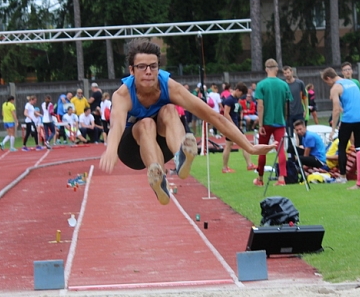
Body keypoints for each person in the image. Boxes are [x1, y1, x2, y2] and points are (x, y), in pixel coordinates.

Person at [99, 40, 275, 205]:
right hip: (131, 150)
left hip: (164, 141)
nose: (148, 72)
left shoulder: (170, 87)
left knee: (169, 110)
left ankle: (177, 159)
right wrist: (111, 150)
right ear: (131, 70)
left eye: (153, 66)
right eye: (142, 67)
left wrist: (249, 147)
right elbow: (117, 125)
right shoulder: (123, 95)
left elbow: (213, 116)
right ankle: (157, 171)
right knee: (146, 124)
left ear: (159, 68)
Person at [322, 67, 360, 184]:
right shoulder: (352, 83)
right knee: (359, 148)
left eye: (327, 83)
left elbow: (336, 109)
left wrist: (332, 129)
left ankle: (342, 177)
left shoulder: (336, 87)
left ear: (328, 78)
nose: (328, 85)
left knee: (342, 147)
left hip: (349, 119)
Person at [253, 59, 293, 187]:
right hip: (279, 121)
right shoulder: (284, 85)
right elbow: (287, 104)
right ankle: (281, 178)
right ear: (276, 69)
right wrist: (284, 118)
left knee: (262, 150)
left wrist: (260, 124)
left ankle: (260, 178)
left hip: (266, 122)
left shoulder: (261, 85)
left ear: (266, 69)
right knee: (280, 149)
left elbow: (260, 105)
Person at [221, 82, 256, 173]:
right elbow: (226, 113)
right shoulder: (229, 100)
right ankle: (225, 168)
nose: (241, 96)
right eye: (241, 94)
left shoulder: (235, 99)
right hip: (231, 126)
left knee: (240, 143)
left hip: (235, 126)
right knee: (230, 145)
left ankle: (249, 164)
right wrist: (232, 125)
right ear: (237, 90)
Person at [283, 65, 306, 129]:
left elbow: (304, 96)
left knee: (301, 132)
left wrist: (305, 109)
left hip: (299, 112)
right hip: (288, 114)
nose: (287, 75)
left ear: (291, 72)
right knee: (289, 133)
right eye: (285, 73)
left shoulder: (300, 83)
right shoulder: (283, 85)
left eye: (288, 72)